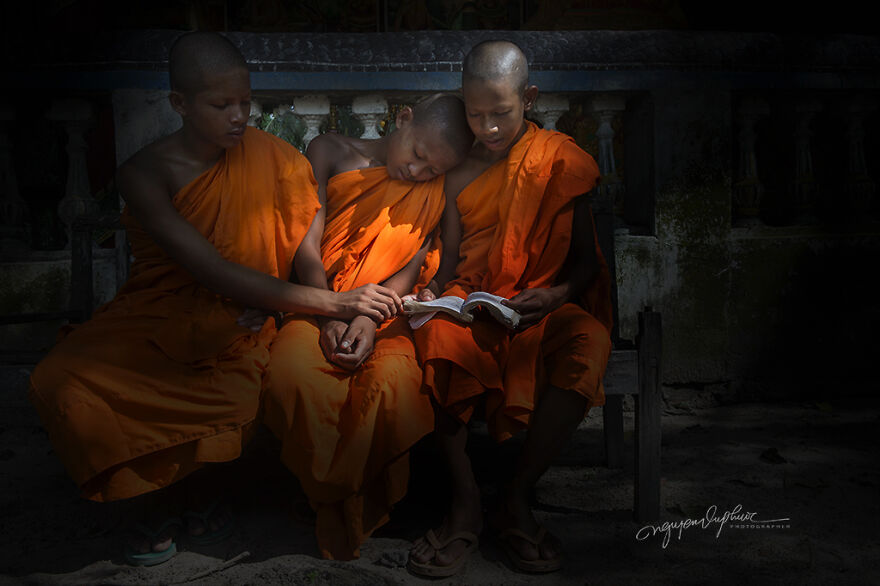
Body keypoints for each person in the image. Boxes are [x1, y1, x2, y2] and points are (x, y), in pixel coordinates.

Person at [27, 31, 402, 567]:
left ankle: (192, 493)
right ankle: (155, 496)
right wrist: (339, 306)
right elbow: (211, 269)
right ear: (180, 104)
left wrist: (320, 316)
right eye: (221, 104)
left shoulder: (275, 159)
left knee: (237, 388)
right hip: (159, 314)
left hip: (242, 319)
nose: (238, 116)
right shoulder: (143, 172)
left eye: (245, 102)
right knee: (61, 378)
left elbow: (302, 248)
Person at [407, 40, 614, 577]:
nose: (489, 128)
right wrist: (437, 294)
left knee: (587, 342)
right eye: (476, 115)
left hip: (538, 303)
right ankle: (465, 500)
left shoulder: (562, 160)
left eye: (500, 113)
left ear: (530, 97)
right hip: (475, 302)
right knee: (437, 338)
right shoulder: (457, 167)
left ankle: (517, 494)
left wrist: (557, 296)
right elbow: (451, 258)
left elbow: (587, 262)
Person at [260, 93, 474, 560]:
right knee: (290, 376)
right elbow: (305, 240)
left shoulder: (435, 189)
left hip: (386, 314)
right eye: (417, 155)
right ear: (402, 119)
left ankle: (335, 498)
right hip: (316, 300)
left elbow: (415, 258)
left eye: (431, 171)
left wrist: (366, 317)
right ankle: (333, 494)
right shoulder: (328, 150)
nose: (417, 174)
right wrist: (330, 310)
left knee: (396, 385)